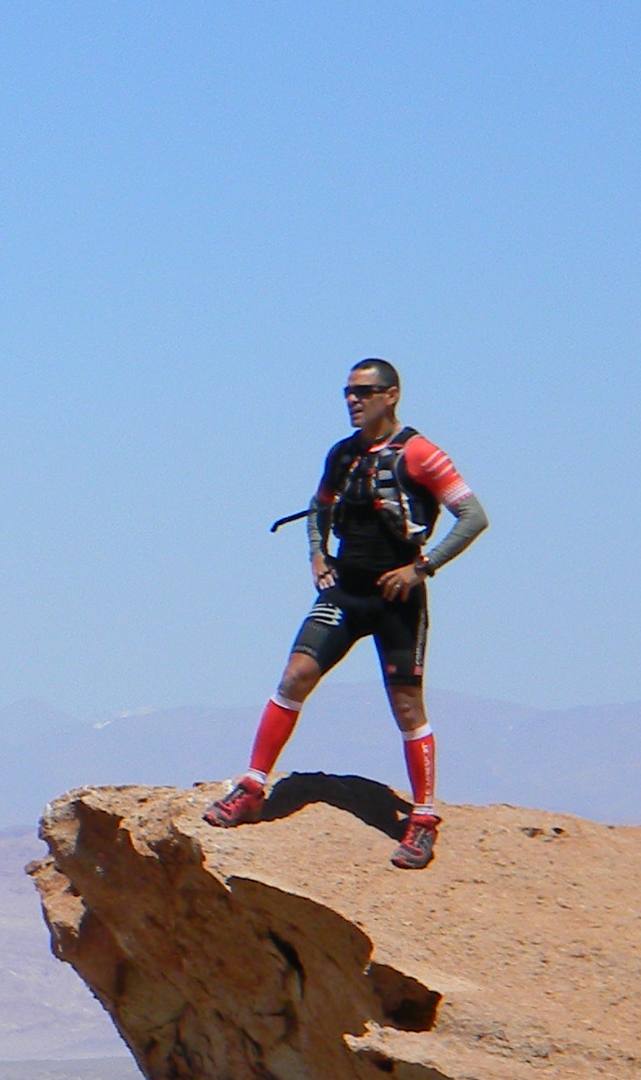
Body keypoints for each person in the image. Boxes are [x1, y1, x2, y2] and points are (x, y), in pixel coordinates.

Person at [204, 359, 491, 868]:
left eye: (364, 391)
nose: (353, 401)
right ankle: (251, 788)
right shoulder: (342, 454)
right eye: (348, 392)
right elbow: (319, 506)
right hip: (345, 593)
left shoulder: (420, 454)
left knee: (407, 706)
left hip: (397, 600)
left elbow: (472, 516)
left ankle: (422, 820)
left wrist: (422, 568)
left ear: (391, 395)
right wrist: (317, 554)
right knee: (295, 675)